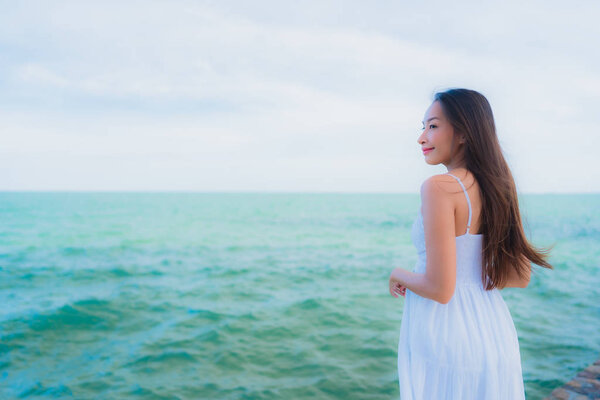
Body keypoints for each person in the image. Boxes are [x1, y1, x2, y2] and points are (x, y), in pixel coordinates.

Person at [389, 88, 554, 399]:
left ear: (463, 132)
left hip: (446, 335)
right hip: (491, 332)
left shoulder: (440, 187)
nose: (422, 137)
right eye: (423, 127)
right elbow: (519, 275)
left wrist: (398, 274)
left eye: (433, 126)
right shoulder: (495, 185)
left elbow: (440, 289)